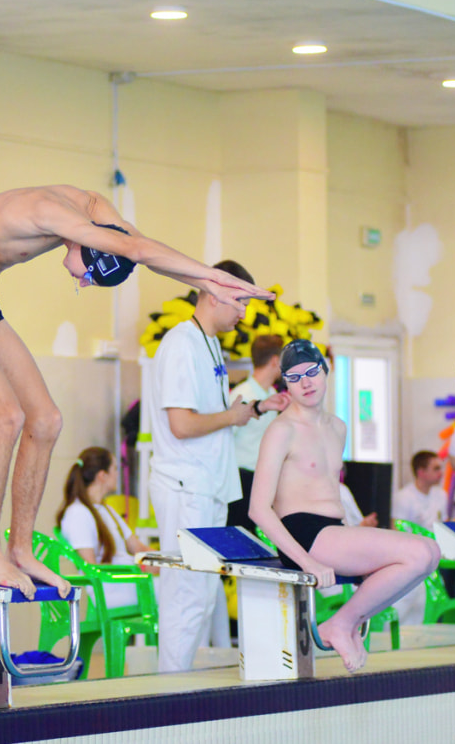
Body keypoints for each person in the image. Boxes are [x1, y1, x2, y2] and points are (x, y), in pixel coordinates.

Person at [0, 185, 273, 599]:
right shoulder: (52, 213)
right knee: (9, 416)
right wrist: (213, 275)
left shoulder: (96, 211)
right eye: (88, 274)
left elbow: (142, 250)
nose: (82, 282)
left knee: (47, 420)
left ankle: (20, 549)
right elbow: (138, 251)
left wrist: (209, 284)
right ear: (87, 246)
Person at [249, 339, 439, 673]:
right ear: (286, 386)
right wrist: (305, 561)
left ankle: (348, 622)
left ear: (325, 370)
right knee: (420, 553)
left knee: (429, 555)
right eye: (294, 377)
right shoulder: (281, 431)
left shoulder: (338, 427)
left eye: (311, 372)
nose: (306, 382)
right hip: (304, 535)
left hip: (334, 532)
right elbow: (258, 509)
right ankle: (340, 624)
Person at [145, 259, 288, 673]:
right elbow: (182, 423)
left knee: (203, 598)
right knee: (185, 597)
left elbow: (213, 414)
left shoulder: (210, 345)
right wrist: (232, 417)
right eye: (240, 300)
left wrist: (256, 408)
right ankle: (169, 694)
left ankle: (179, 686)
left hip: (207, 486)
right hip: (185, 486)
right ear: (212, 291)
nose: (244, 311)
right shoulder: (181, 344)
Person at [55, 447, 158, 610]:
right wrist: (139, 569)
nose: (118, 474)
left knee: (181, 583)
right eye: (115, 469)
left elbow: (137, 547)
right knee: (180, 592)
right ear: (102, 476)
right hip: (112, 589)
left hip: (128, 580)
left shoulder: (106, 510)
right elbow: (91, 569)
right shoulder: (78, 513)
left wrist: (166, 561)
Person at [227, 334, 286, 529]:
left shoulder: (273, 395)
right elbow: (224, 440)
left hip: (262, 478)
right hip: (240, 480)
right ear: (275, 360)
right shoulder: (241, 394)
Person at [392, 451, 448, 531]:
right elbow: (396, 530)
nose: (441, 473)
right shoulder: (403, 497)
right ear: (421, 472)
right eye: (436, 469)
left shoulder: (442, 494)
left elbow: (444, 525)